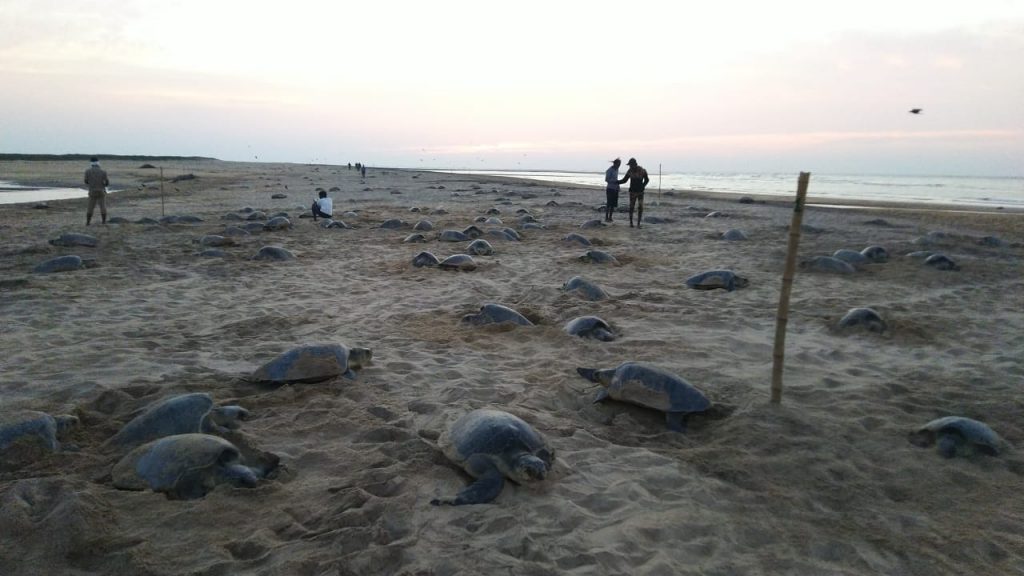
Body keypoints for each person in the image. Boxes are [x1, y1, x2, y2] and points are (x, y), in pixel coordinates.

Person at [622, 157, 650, 228]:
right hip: (632, 192)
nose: (630, 166)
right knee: (631, 207)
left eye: (631, 165)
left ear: (635, 164)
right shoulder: (630, 171)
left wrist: (643, 186)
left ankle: (638, 224)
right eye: (629, 165)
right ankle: (631, 223)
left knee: (640, 208)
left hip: (640, 192)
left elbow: (647, 180)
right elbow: (625, 180)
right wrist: (616, 182)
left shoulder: (642, 170)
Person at [84, 156, 110, 225]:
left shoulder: (88, 171)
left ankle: (88, 222)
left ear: (91, 163)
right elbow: (107, 182)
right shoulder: (103, 172)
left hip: (92, 191)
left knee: (90, 207)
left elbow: (86, 181)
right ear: (98, 163)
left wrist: (91, 183)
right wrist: (103, 185)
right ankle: (103, 221)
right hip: (101, 190)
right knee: (103, 206)